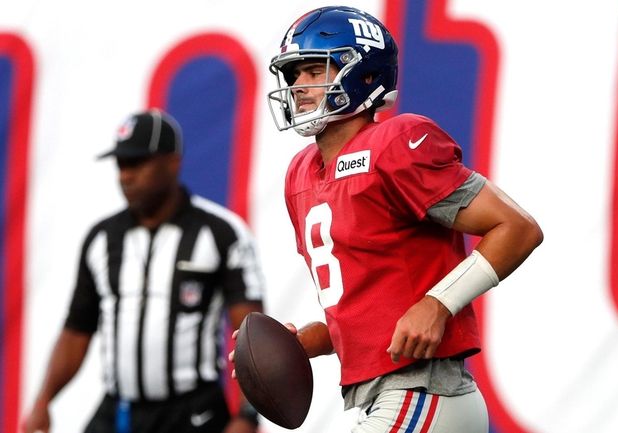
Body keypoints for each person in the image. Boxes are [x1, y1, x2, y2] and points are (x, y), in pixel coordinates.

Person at [262, 6, 543, 433]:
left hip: (425, 391)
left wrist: (438, 303)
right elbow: (364, 311)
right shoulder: (300, 174)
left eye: (313, 68)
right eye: (293, 73)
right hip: (379, 396)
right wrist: (306, 342)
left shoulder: (394, 143)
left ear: (366, 74)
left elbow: (518, 229)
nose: (299, 85)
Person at [23, 109, 265, 433]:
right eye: (121, 164)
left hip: (193, 412)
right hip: (120, 411)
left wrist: (247, 415)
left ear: (172, 162)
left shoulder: (220, 232)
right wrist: (43, 401)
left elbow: (251, 331)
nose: (126, 175)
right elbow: (76, 330)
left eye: (137, 163)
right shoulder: (101, 239)